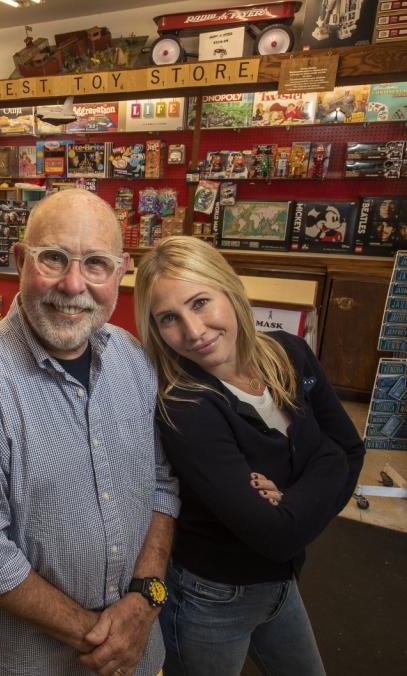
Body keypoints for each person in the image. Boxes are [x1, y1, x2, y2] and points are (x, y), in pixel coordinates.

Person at [0, 189, 181, 676]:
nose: (72, 284)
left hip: (139, 653)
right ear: (21, 260)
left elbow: (163, 485)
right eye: (53, 259)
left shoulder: (133, 359)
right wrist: (106, 639)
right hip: (27, 664)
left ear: (119, 271)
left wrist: (146, 599)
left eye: (95, 264)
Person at [132, 236, 365, 676]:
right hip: (213, 597)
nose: (193, 331)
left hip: (281, 585)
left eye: (200, 302)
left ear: (230, 289)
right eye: (169, 318)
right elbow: (275, 534)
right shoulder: (186, 406)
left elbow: (351, 451)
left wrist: (292, 502)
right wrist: (320, 464)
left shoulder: (289, 353)